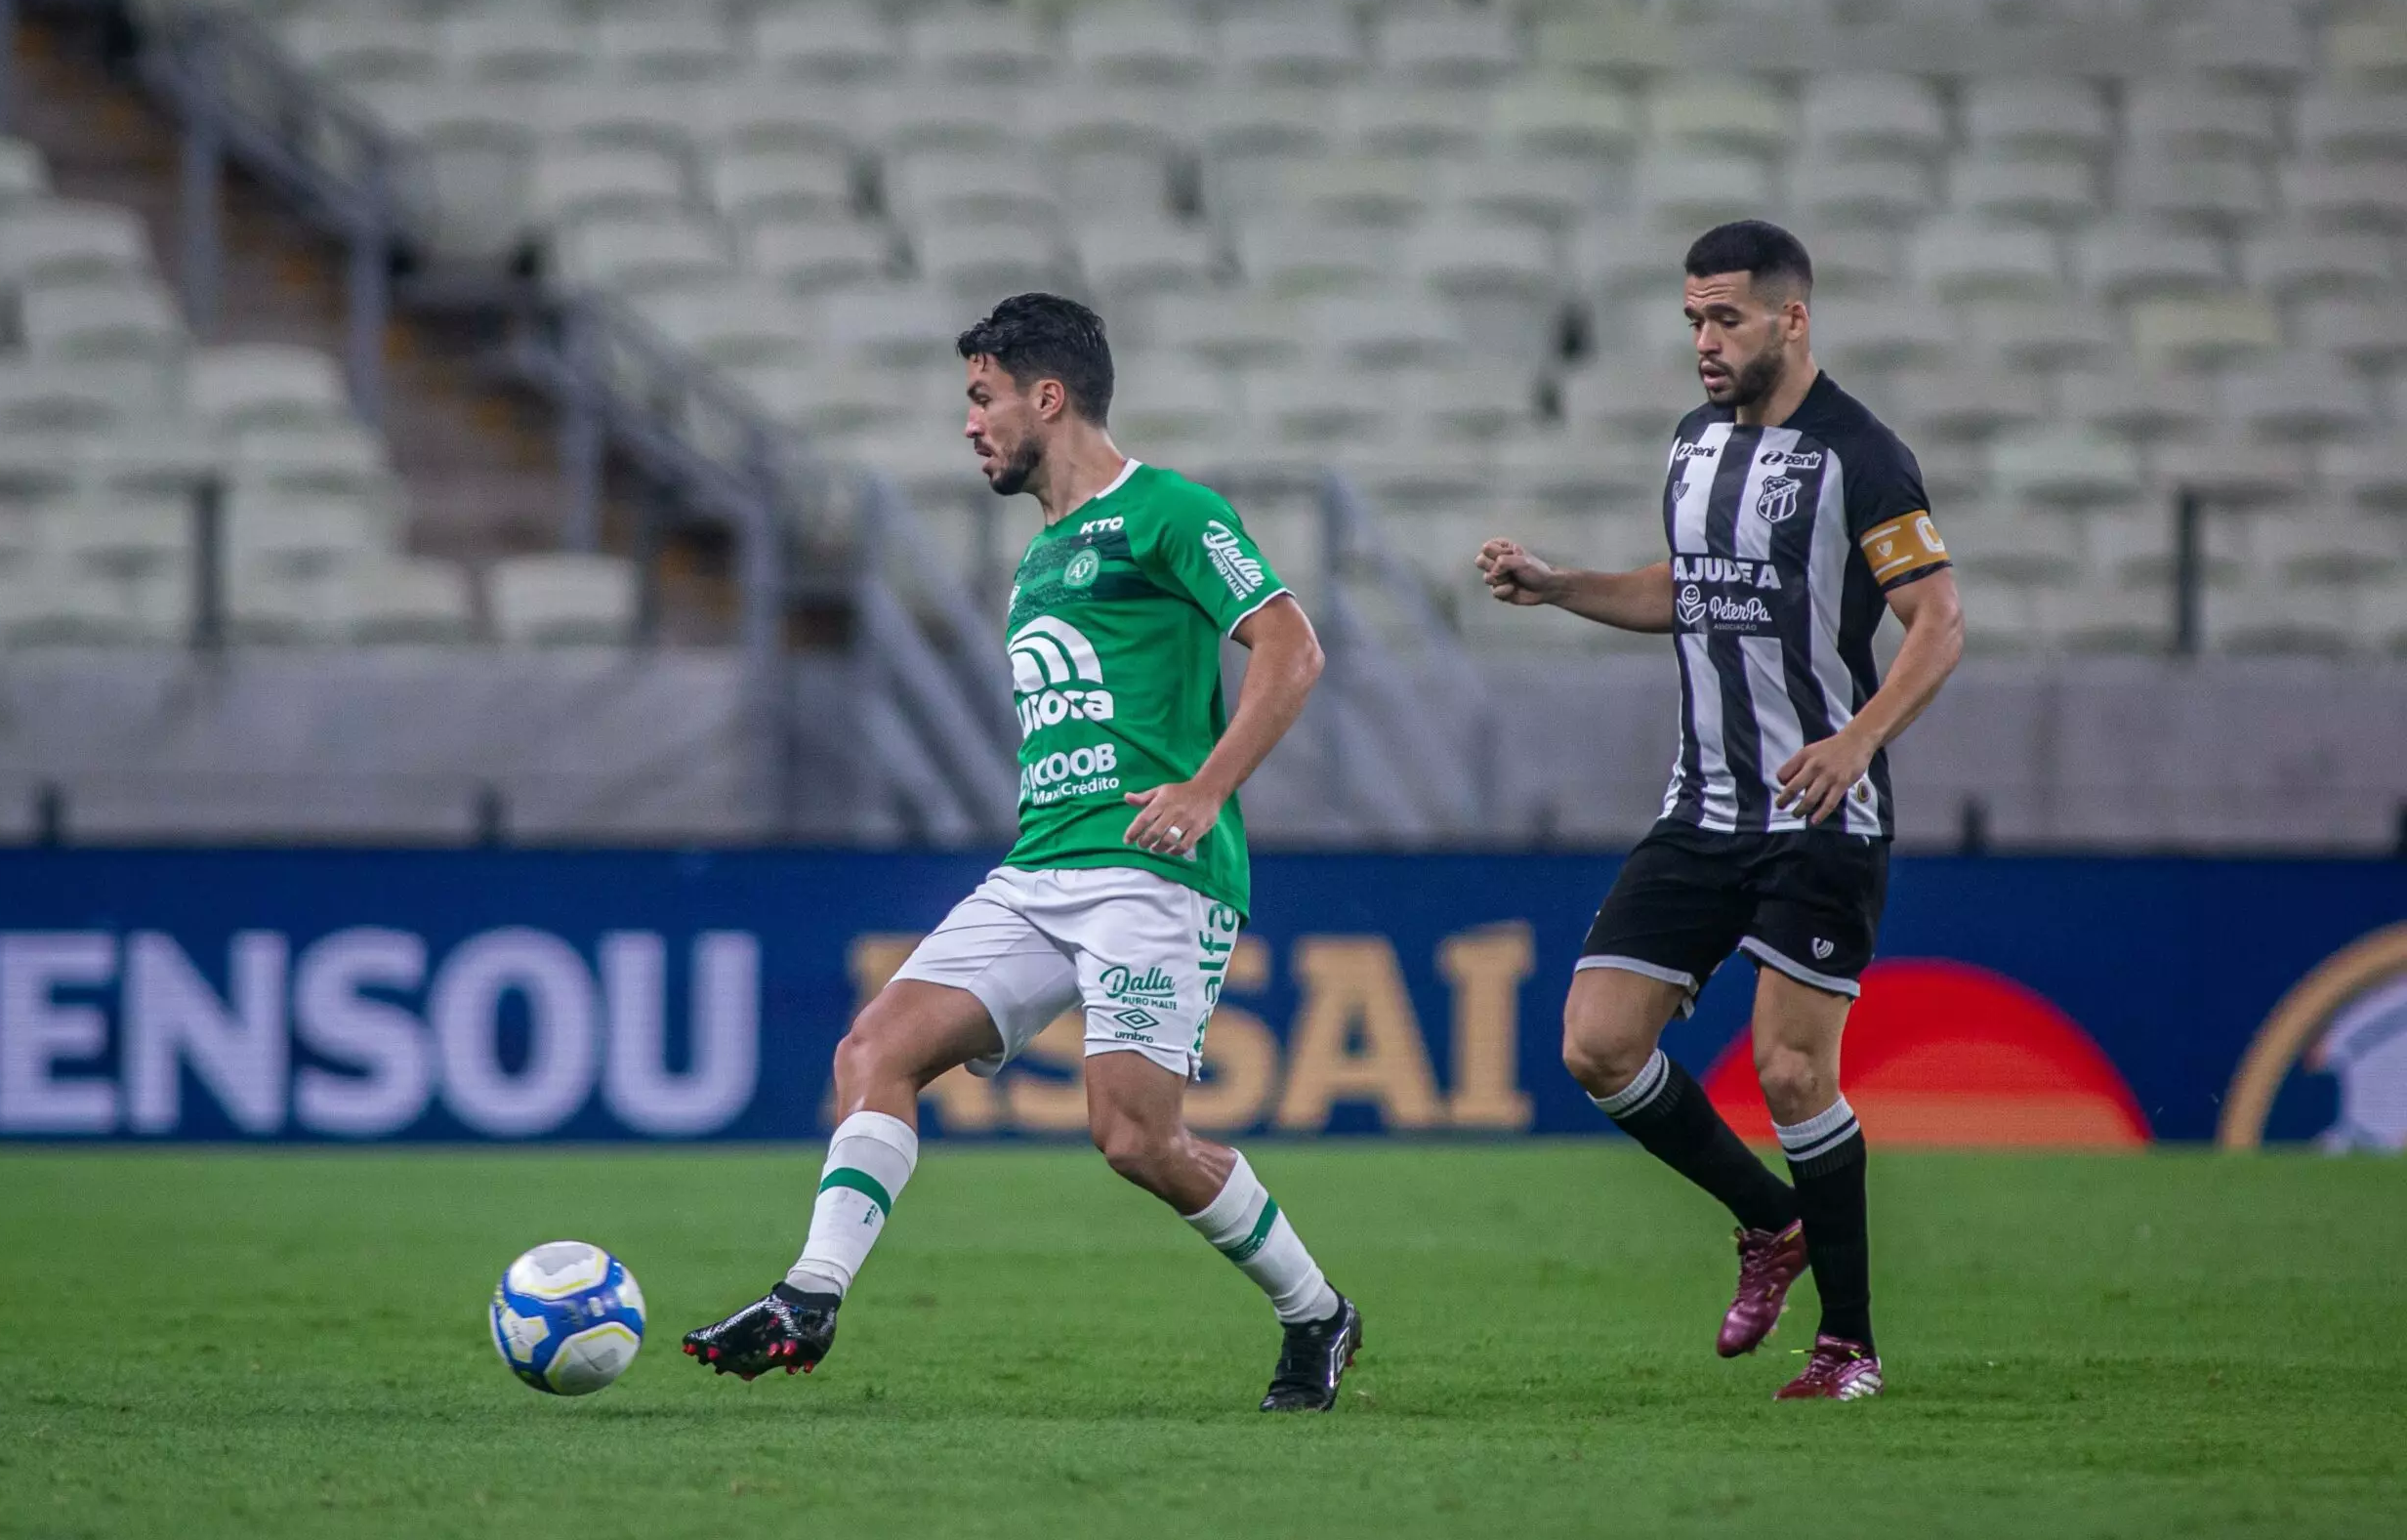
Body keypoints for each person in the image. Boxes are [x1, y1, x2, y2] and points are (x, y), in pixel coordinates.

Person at [684, 293, 1362, 1411]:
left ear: (1047, 396)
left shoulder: (1169, 511)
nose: (970, 422)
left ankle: (1316, 1312)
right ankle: (811, 1293)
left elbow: (1292, 649)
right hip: (1039, 869)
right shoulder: (1041, 557)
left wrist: (1205, 788)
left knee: (1135, 1137)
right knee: (875, 1050)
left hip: (1152, 871)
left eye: (982, 395)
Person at [1475, 221, 1965, 1401]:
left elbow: (1937, 621)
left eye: (1725, 319)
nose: (1703, 341)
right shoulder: (1695, 445)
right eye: (1693, 319)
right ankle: (1768, 1223)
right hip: (1700, 807)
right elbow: (1686, 589)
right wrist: (1561, 586)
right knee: (1595, 1043)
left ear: (1791, 319)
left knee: (1794, 1076)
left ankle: (1848, 1347)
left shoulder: (1864, 455)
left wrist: (1855, 740)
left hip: (1818, 813)